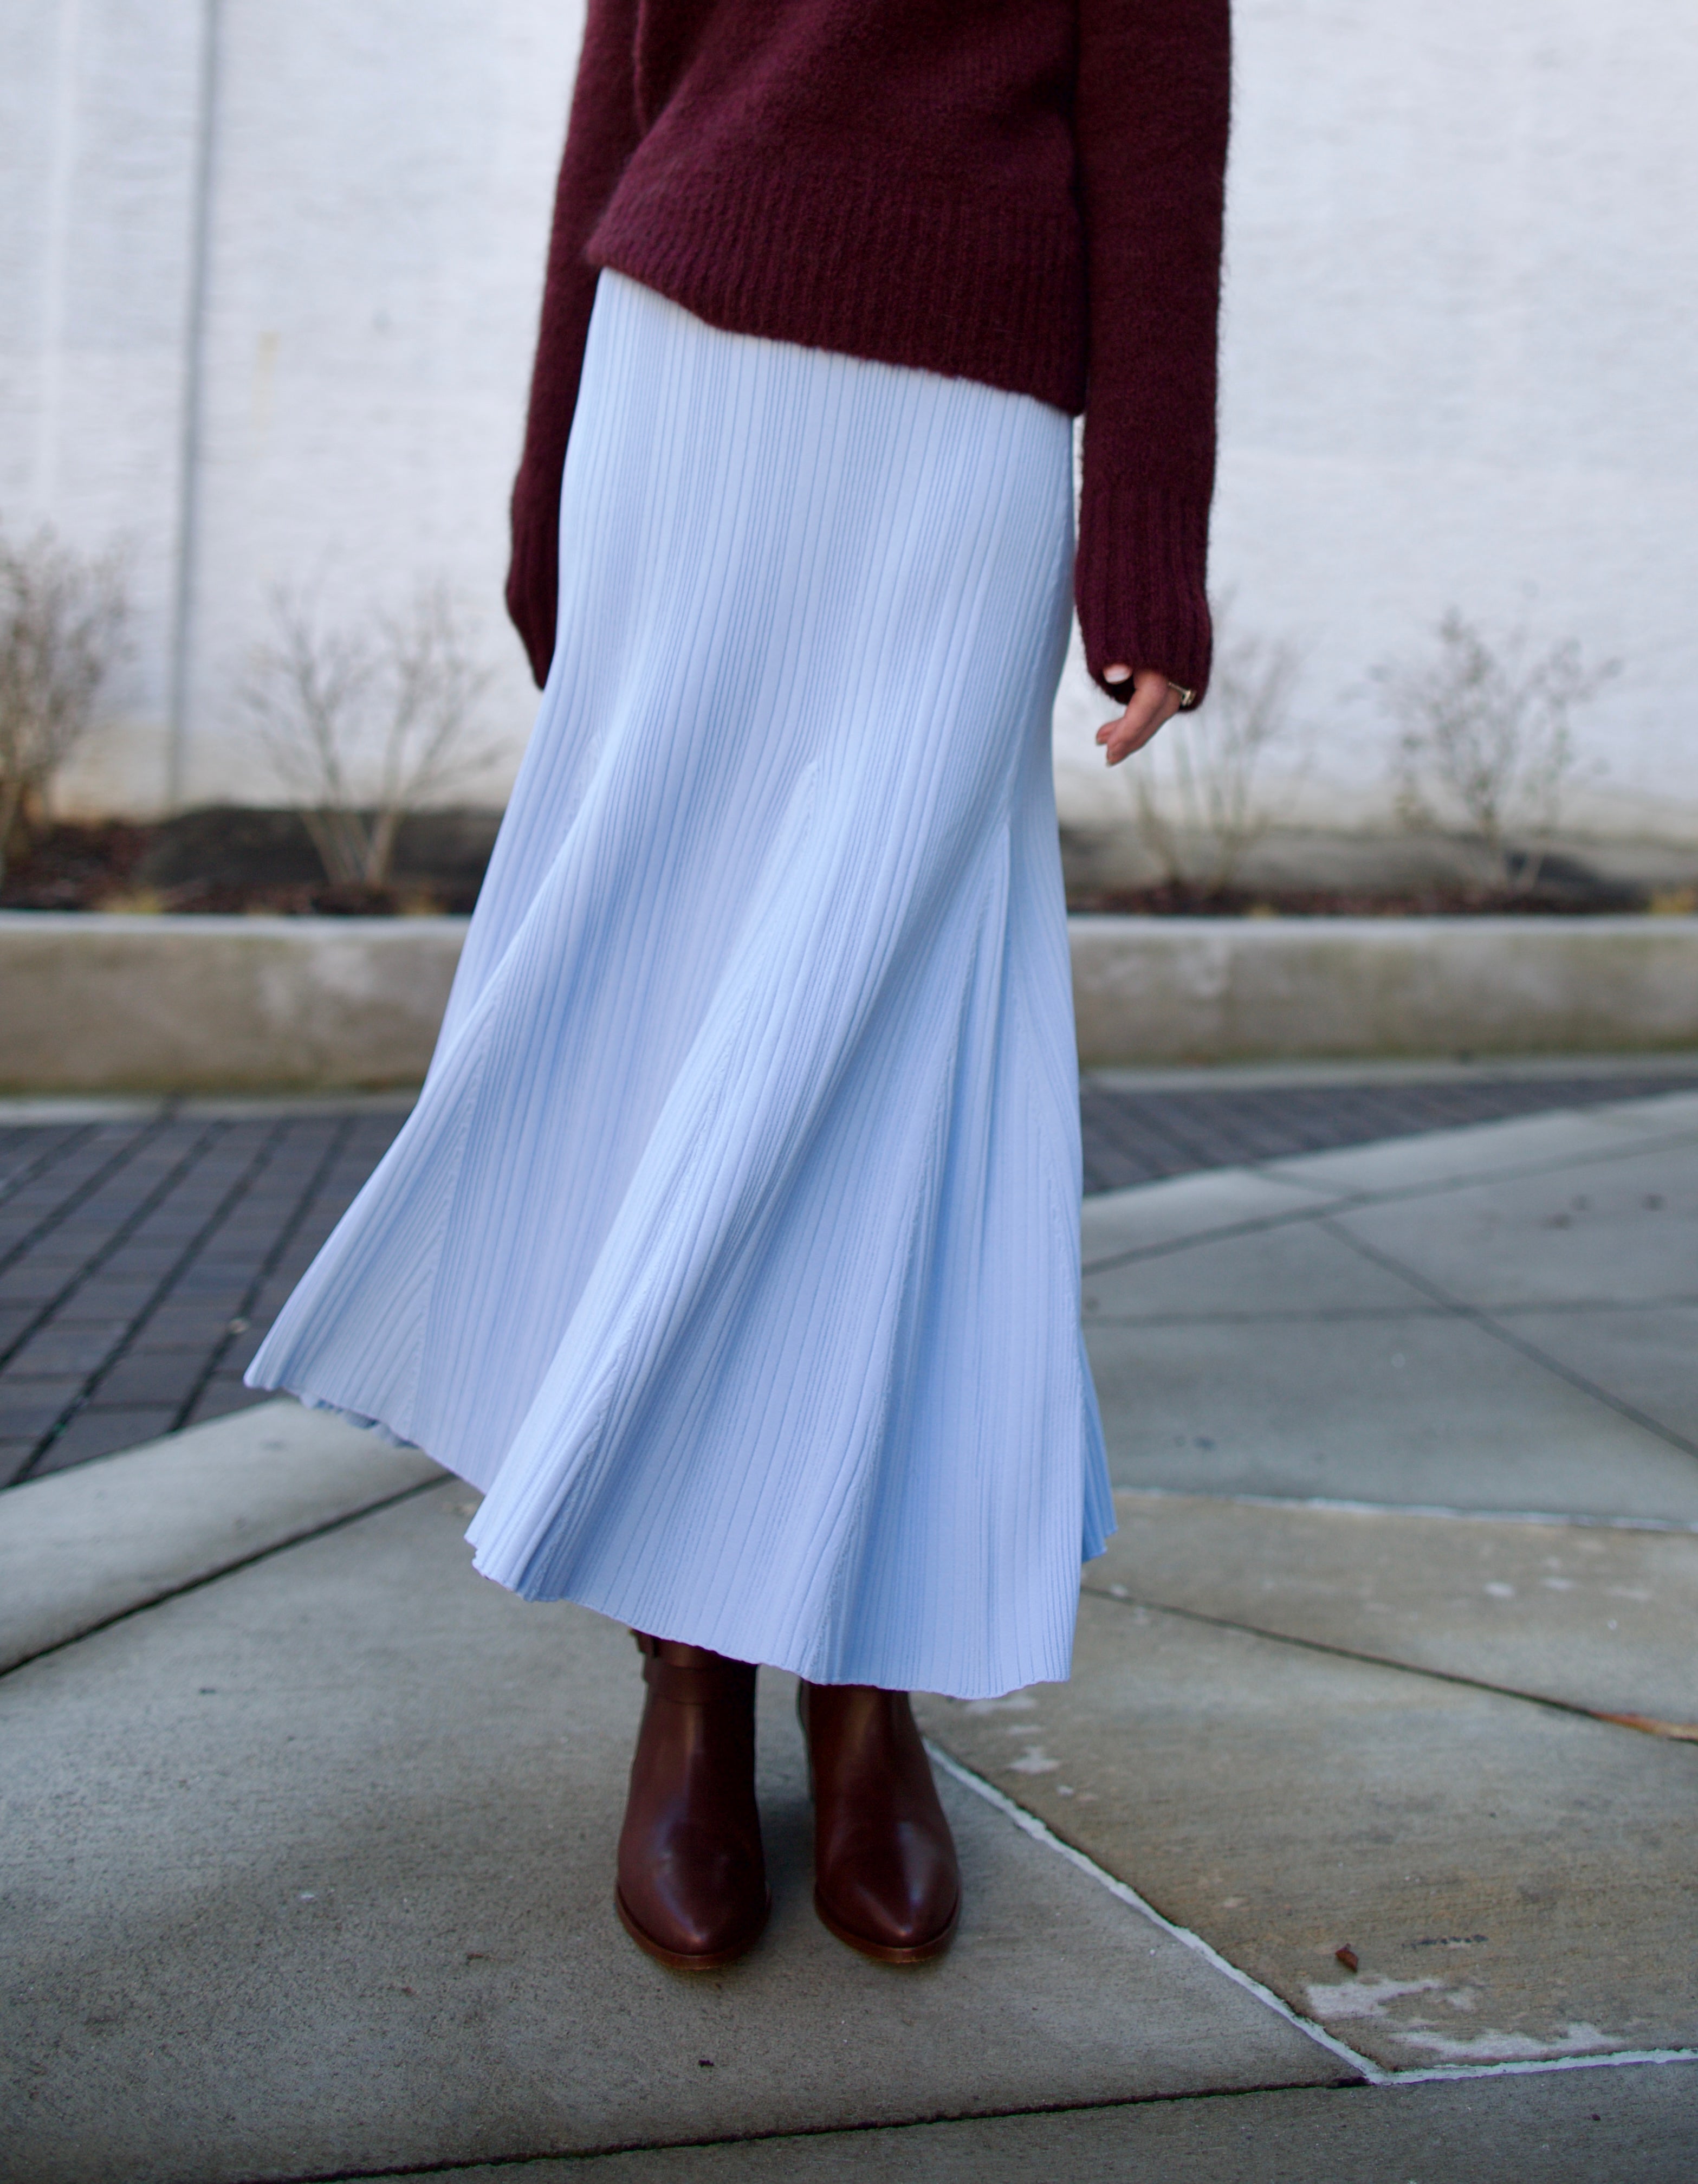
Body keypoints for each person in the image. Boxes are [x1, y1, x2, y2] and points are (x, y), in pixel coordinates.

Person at [248, 0, 1229, 1972]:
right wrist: (549, 476)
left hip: (959, 434)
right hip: (682, 391)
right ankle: (685, 1672)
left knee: (885, 1067)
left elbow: (1163, 144)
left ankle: (863, 1692)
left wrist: (1147, 546)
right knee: (664, 1025)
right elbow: (620, 91)